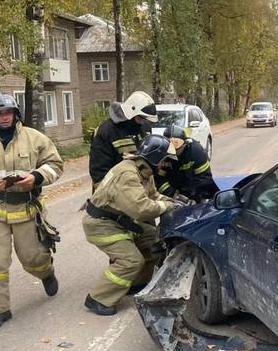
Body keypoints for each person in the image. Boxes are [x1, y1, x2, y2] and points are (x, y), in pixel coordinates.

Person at [0, 92, 63, 331]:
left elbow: (55, 165)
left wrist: (36, 177)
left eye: (8, 113)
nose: (4, 117)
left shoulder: (34, 138)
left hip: (26, 208)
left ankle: (46, 273)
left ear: (16, 114)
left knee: (33, 257)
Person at [82, 134, 177, 315]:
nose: (167, 164)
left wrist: (175, 201)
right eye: (165, 160)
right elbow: (140, 209)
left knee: (154, 241)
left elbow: (153, 196)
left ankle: (137, 284)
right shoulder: (128, 174)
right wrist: (168, 206)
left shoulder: (144, 170)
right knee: (131, 261)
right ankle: (98, 298)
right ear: (156, 158)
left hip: (121, 222)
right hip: (102, 224)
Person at [88, 91, 159, 190]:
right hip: (115, 194)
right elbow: (99, 174)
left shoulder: (144, 128)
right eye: (141, 118)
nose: (143, 122)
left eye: (146, 119)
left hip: (140, 192)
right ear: (131, 112)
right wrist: (123, 195)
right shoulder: (106, 131)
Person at [155, 125, 218, 202]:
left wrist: (193, 197)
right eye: (170, 148)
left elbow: (204, 179)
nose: (173, 152)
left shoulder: (196, 151)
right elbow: (159, 180)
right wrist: (174, 195)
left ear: (185, 143)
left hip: (195, 193)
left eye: (176, 148)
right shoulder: (164, 154)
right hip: (173, 196)